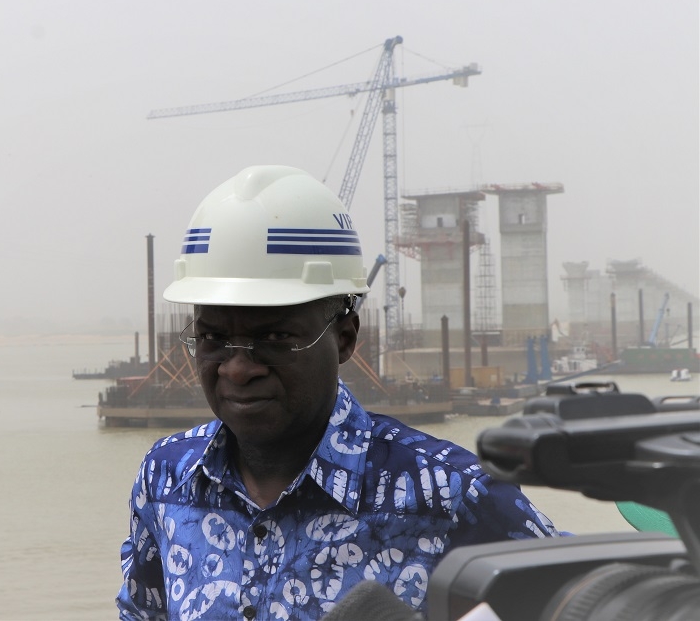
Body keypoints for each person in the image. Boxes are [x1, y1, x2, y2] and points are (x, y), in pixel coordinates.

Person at [116, 166, 562, 620]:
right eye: (213, 339)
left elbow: (589, 597)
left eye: (274, 338)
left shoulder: (449, 495)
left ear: (345, 337)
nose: (237, 368)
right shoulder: (166, 479)